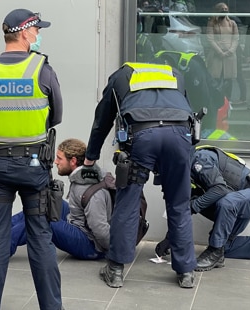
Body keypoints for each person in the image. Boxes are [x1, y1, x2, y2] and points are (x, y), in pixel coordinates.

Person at [0, 8, 63, 310]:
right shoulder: (42, 69)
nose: (38, 35)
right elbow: (56, 116)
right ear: (24, 33)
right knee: (40, 237)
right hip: (34, 165)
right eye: (36, 30)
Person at [83, 62, 197, 289]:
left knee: (128, 201)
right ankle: (186, 272)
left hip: (143, 135)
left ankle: (115, 270)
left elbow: (102, 121)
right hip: (180, 136)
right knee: (179, 203)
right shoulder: (174, 74)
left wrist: (90, 157)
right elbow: (185, 108)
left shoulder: (121, 76)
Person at [10, 138, 112, 260]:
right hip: (76, 223)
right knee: (43, 205)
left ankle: (1, 248)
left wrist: (114, 252)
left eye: (59, 158)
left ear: (73, 161)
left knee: (40, 220)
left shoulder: (92, 191)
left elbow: (100, 229)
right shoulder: (82, 177)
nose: (55, 162)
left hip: (90, 245)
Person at [190, 146, 250, 270]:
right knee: (226, 247)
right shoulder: (183, 168)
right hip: (236, 199)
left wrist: (193, 207)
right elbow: (181, 207)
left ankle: (215, 251)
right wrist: (170, 239)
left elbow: (220, 190)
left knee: (224, 204)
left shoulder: (200, 159)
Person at [205, 3, 239, 102]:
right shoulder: (212, 23)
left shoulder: (232, 23)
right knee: (215, 79)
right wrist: (220, 52)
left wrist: (230, 51)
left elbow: (236, 39)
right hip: (216, 55)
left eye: (226, 9)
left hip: (230, 56)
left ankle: (228, 101)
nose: (224, 10)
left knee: (228, 80)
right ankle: (216, 101)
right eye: (222, 9)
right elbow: (210, 38)